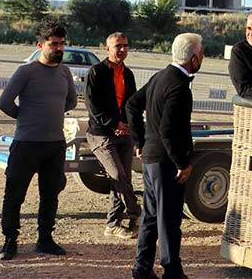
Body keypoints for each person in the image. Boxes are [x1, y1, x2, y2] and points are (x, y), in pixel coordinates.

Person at [0, 21, 78, 260]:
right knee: (15, 194)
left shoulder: (64, 72)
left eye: (62, 44)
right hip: (26, 144)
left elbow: (71, 102)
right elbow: (4, 102)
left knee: (51, 193)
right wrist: (26, 116)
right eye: (54, 44)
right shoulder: (26, 72)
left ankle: (45, 239)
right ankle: (10, 241)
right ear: (40, 44)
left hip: (55, 144)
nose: (59, 48)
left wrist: (51, 112)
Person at [127, 33, 204, 279]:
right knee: (169, 219)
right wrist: (182, 162)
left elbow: (131, 105)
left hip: (151, 157)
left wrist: (140, 140)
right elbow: (168, 130)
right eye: (201, 53)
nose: (202, 57)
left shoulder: (160, 76)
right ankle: (172, 270)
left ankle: (142, 268)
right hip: (166, 162)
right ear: (193, 58)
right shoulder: (180, 87)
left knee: (151, 216)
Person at [84, 32, 140, 239]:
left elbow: (132, 104)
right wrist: (114, 124)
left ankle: (113, 224)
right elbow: (92, 106)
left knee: (124, 178)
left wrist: (127, 126)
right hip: (101, 135)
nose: (122, 50)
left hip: (124, 133)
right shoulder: (96, 72)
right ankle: (136, 212)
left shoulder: (129, 74)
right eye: (118, 46)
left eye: (125, 45)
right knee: (117, 175)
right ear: (107, 49)